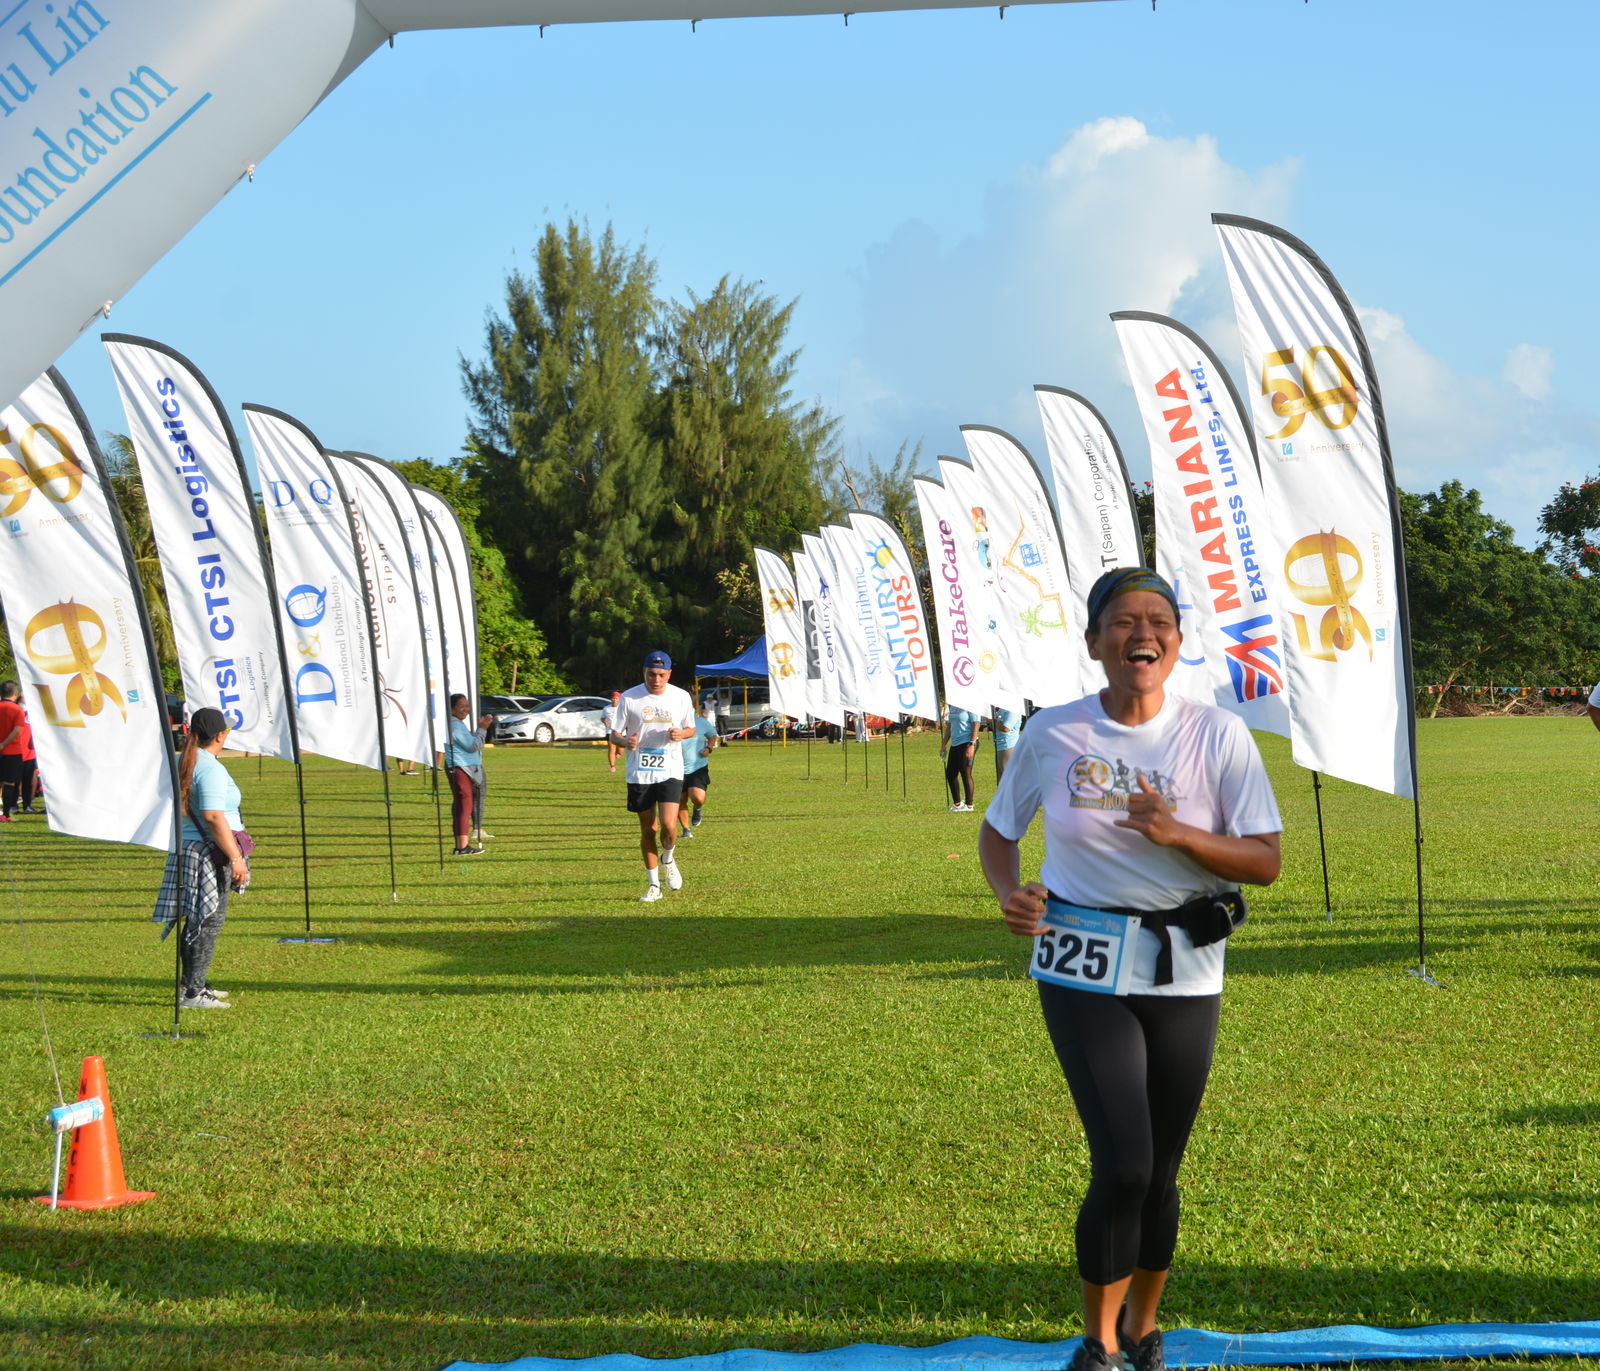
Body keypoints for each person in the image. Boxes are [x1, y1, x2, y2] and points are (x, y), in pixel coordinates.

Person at [978, 567, 1283, 1371]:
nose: (1141, 633)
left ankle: (1145, 1330)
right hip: (1079, 961)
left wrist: (1180, 834)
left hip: (1186, 965)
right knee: (1125, 1159)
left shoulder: (1218, 736)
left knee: (1163, 1171)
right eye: (1122, 621)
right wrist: (1013, 895)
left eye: (1158, 621)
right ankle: (1098, 1342)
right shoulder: (1053, 734)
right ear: (1094, 642)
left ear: (1178, 643)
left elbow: (1266, 861)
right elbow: (998, 832)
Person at [151, 708, 252, 1010]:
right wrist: (236, 858)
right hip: (209, 851)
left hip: (193, 848)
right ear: (220, 735)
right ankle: (194, 993)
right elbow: (212, 816)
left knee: (199, 919)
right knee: (208, 921)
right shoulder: (207, 767)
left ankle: (193, 982)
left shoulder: (189, 760)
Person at [608, 650, 695, 902]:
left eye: (661, 675)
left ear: (669, 674)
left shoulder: (680, 696)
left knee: (669, 825)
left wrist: (682, 734)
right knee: (649, 829)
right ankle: (654, 885)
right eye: (650, 674)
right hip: (639, 772)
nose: (655, 680)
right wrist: (626, 741)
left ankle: (668, 857)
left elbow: (691, 728)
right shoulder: (629, 697)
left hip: (670, 768)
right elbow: (614, 734)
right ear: (643, 672)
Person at [443, 693, 492, 856]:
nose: (466, 709)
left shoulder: (457, 724)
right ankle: (462, 846)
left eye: (467, 706)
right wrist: (482, 729)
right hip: (460, 767)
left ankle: (462, 845)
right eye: (461, 706)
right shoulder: (455, 725)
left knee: (463, 805)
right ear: (451, 709)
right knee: (464, 806)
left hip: (463, 767)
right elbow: (473, 746)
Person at [678, 700, 721, 838]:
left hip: (697, 766)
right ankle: (686, 829)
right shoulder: (672, 724)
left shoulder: (700, 722)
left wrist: (708, 748)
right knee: (680, 799)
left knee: (697, 796)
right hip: (675, 768)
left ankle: (697, 808)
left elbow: (713, 735)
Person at [940, 704, 981, 811]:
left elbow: (976, 723)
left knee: (965, 772)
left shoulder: (971, 704)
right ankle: (957, 804)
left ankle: (969, 805)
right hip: (955, 743)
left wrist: (972, 744)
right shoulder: (953, 706)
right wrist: (944, 744)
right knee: (950, 773)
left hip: (968, 742)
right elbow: (950, 726)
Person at [0, 681, 23, 821]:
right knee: (9, 783)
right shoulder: (17, 709)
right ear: (15, 693)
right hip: (12, 751)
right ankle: (6, 814)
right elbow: (16, 730)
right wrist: (3, 744)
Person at [992, 706, 1022, 782]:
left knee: (1007, 776)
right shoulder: (1002, 709)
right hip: (1000, 745)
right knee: (1001, 777)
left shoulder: (1013, 710)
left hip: (1008, 745)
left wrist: (992, 721)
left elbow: (1006, 728)